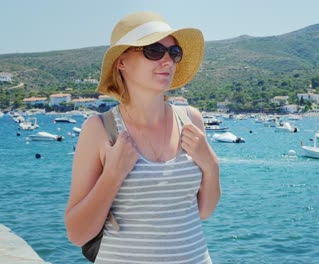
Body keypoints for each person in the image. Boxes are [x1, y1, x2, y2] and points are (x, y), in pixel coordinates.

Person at [64, 11, 221, 263]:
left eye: (174, 53)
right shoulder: (100, 130)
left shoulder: (191, 120)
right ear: (122, 62)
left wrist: (212, 165)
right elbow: (77, 233)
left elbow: (204, 211)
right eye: (154, 50)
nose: (167, 61)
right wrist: (113, 175)